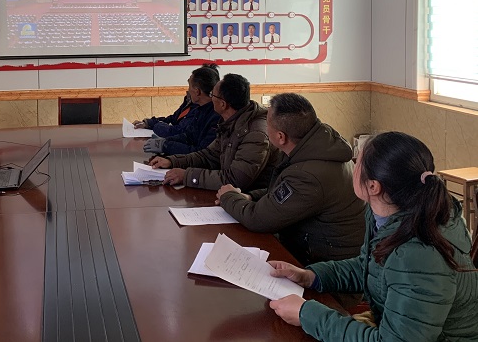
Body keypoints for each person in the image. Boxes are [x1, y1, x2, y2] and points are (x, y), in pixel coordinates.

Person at [268, 132, 478, 341]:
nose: (353, 166)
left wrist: (306, 315)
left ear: (373, 186)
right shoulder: (389, 213)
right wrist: (312, 276)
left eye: (358, 162)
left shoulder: (419, 255)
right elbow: (371, 268)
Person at [216, 93, 365, 266]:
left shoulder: (308, 175)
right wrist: (250, 196)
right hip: (315, 249)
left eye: (267, 123)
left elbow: (258, 219)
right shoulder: (315, 145)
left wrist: (228, 196)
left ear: (281, 137)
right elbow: (284, 192)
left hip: (327, 267)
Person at [149, 73, 278, 191]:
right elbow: (209, 155)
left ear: (223, 104)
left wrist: (187, 176)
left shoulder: (256, 134)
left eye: (212, 95)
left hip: (250, 200)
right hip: (230, 197)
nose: (210, 98)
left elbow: (235, 180)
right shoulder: (230, 121)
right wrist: (172, 161)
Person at [142, 63, 220, 156]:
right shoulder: (201, 109)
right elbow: (188, 136)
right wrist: (165, 141)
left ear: (197, 91)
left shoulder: (216, 116)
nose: (188, 90)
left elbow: (201, 153)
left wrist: (165, 146)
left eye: (189, 86)